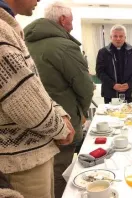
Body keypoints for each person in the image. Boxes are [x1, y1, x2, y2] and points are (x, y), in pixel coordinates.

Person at [0, 0, 75, 198]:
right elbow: (24, 101)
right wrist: (61, 126)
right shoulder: (2, 31)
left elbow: (33, 86)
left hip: (29, 149)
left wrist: (58, 111)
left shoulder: (10, 27)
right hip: (21, 157)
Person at [24, 2, 94, 198]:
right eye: (70, 21)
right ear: (63, 20)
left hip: (32, 121)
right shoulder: (64, 46)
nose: (71, 26)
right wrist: (81, 112)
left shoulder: (24, 41)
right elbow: (85, 88)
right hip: (62, 122)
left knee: (44, 171)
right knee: (60, 170)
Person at [96, 24, 132, 104]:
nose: (118, 39)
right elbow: (100, 72)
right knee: (110, 115)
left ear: (125, 37)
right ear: (111, 37)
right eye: (115, 36)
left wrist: (129, 84)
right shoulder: (103, 52)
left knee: (127, 115)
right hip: (110, 93)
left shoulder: (131, 52)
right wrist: (113, 84)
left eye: (121, 36)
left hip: (128, 92)